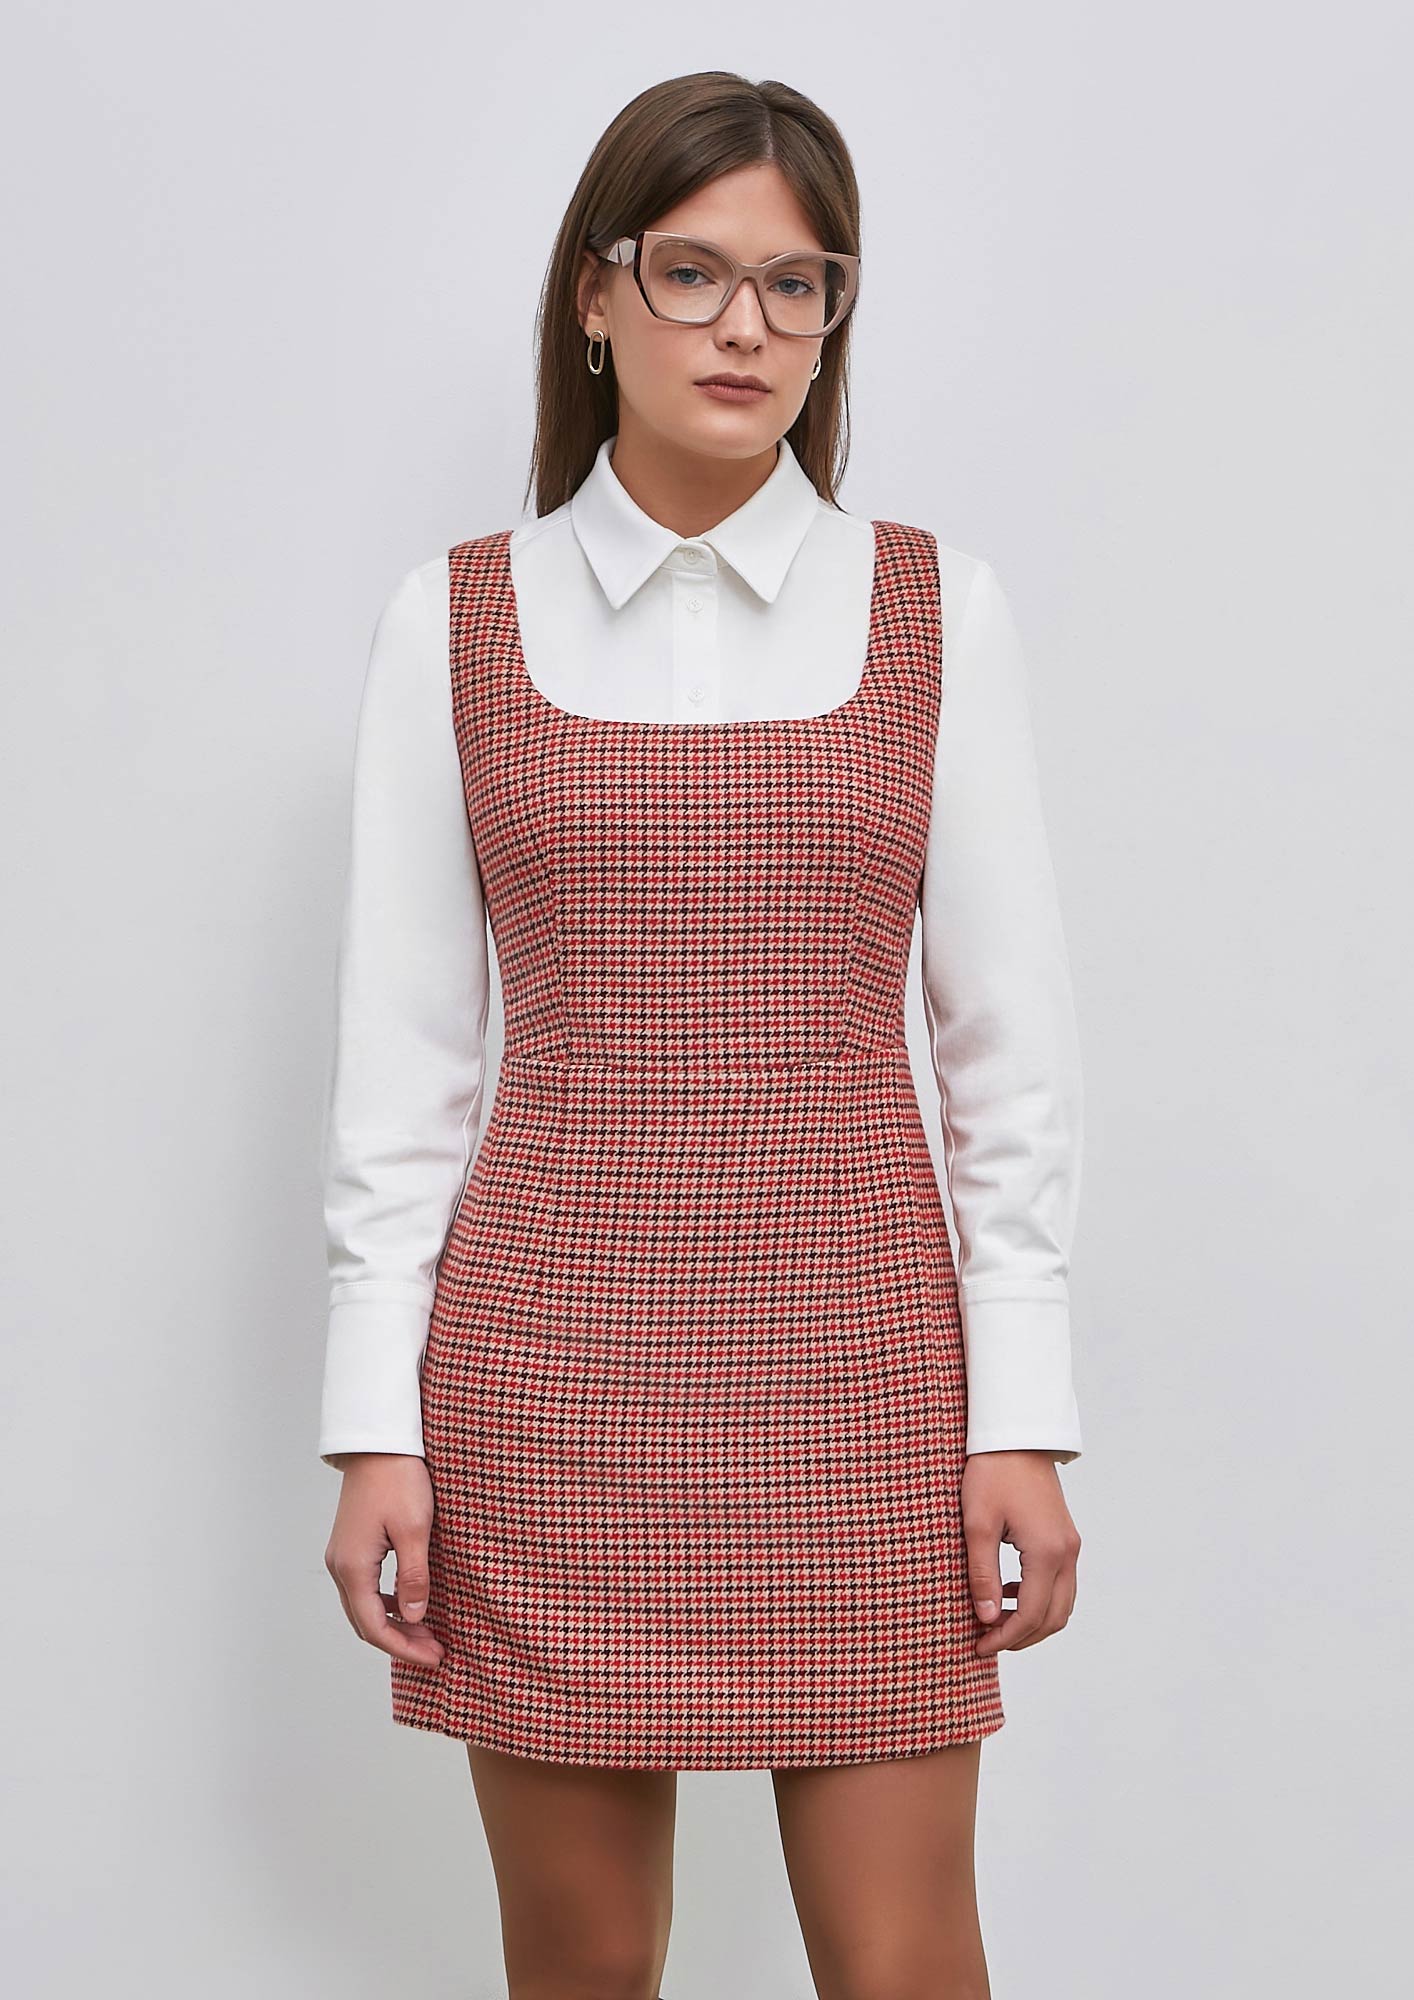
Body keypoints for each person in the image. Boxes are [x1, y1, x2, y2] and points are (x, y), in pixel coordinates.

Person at [319, 70, 1084, 2000]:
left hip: (862, 1378)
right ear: (597, 296)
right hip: (546, 1383)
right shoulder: (452, 621)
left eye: (795, 284)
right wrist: (370, 1429)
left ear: (832, 321)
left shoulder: (935, 608)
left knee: (903, 1966)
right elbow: (406, 1077)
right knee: (581, 1968)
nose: (745, 325)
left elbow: (1005, 1066)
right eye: (692, 272)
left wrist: (1022, 1415)